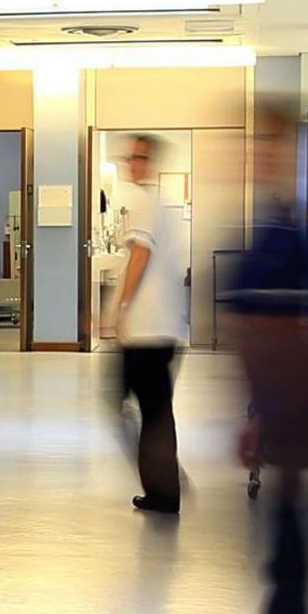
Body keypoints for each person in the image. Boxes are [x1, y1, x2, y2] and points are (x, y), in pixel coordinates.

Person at [194, 101, 308, 614]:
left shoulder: (287, 234)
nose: (257, 156)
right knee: (288, 563)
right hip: (279, 417)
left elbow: (284, 340)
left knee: (291, 565)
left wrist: (277, 421)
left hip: (292, 421)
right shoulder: (271, 226)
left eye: (270, 145)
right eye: (253, 145)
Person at [109, 134, 186, 514]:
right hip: (163, 328)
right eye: (131, 157)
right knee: (153, 410)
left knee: (135, 407)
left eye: (140, 158)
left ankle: (165, 485)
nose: (132, 164)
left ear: (151, 162)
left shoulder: (142, 202)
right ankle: (164, 481)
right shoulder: (163, 205)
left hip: (146, 331)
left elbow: (140, 254)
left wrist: (121, 307)